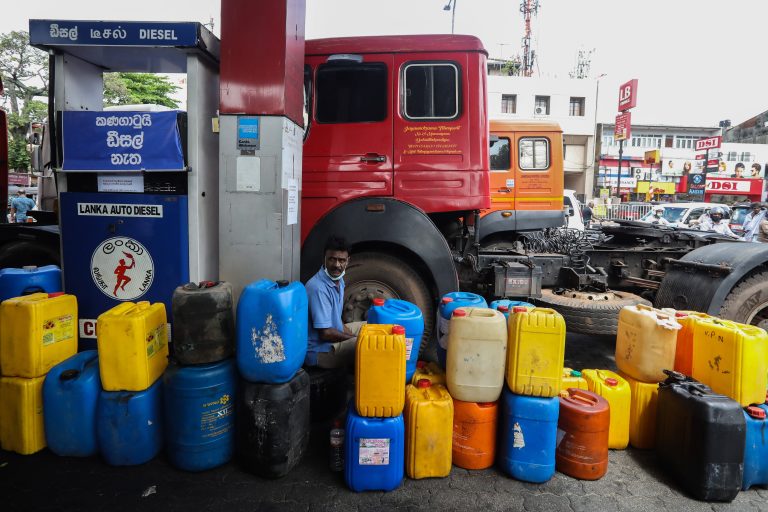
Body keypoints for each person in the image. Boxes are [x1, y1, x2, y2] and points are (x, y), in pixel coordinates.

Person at [304, 235, 364, 368]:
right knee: (367, 346)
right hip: (320, 352)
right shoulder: (317, 288)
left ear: (348, 261)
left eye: (341, 260)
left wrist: (354, 335)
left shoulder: (338, 280)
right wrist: (355, 340)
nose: (337, 265)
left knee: (370, 327)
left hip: (332, 341)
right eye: (332, 259)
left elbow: (336, 320)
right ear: (324, 259)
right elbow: (326, 333)